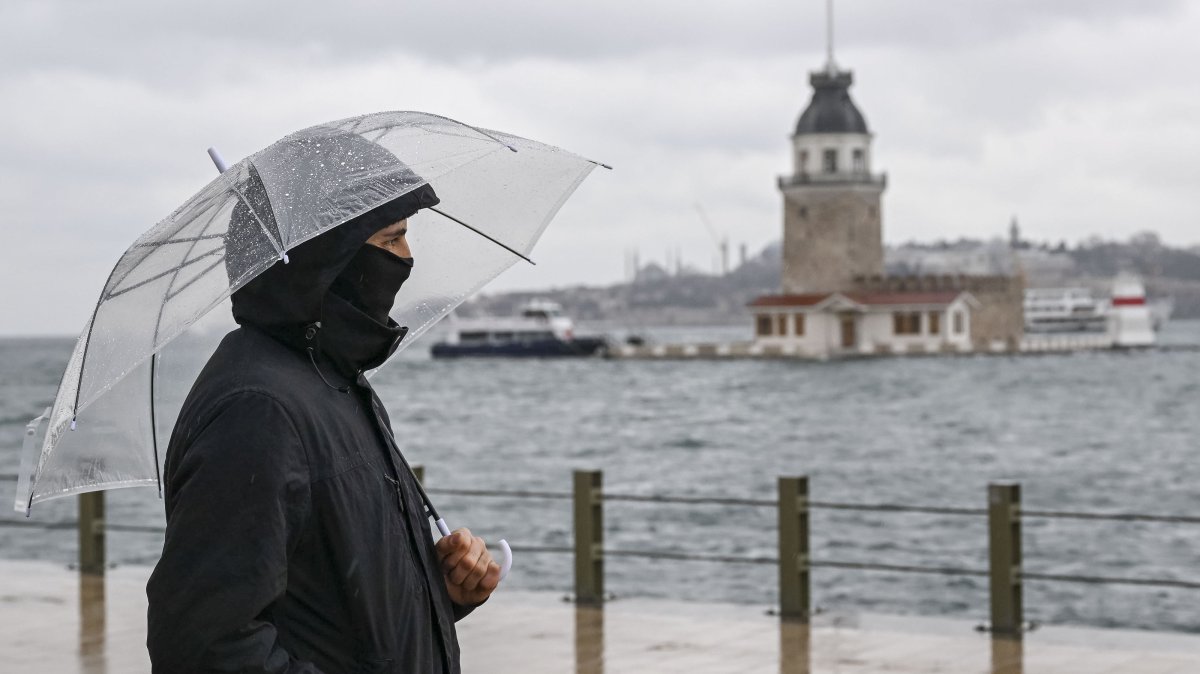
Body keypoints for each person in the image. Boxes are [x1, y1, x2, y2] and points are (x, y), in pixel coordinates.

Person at [146, 170, 499, 673]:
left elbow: (331, 591)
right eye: (391, 238)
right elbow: (205, 646)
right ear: (326, 258)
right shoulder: (258, 409)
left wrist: (433, 590)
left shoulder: (333, 377)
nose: (406, 258)